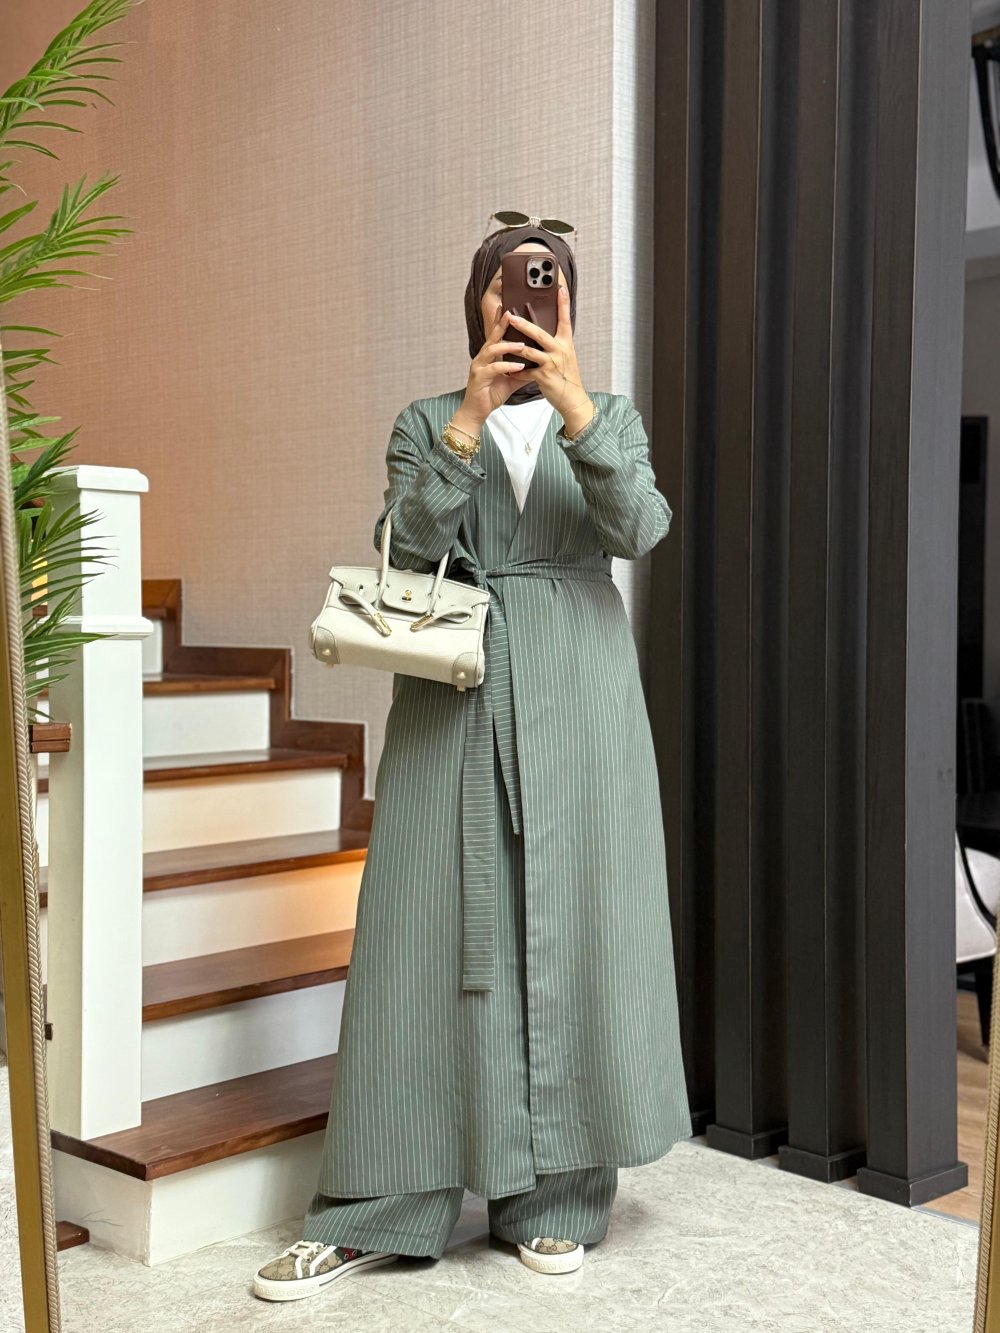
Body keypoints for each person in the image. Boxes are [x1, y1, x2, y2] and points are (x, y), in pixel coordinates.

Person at [252, 214, 692, 1303]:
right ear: (478, 301)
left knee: (577, 928)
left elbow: (641, 529)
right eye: (507, 286)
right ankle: (376, 1206)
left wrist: (576, 404)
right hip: (455, 695)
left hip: (582, 705)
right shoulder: (427, 419)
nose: (524, 304)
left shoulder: (611, 418)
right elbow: (405, 545)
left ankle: (555, 1198)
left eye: (545, 286)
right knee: (418, 932)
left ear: (567, 305)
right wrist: (467, 420)